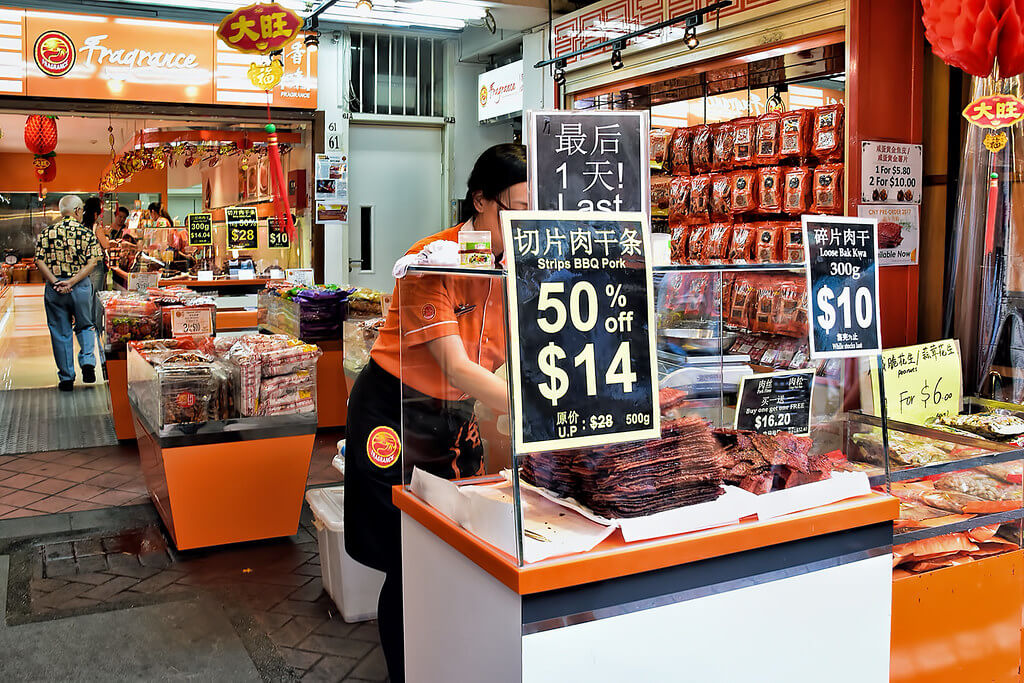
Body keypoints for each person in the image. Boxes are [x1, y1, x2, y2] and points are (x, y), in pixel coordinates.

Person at [343, 143, 527, 683]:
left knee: (459, 546)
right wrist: (531, 409)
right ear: (481, 201)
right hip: (393, 412)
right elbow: (453, 365)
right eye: (516, 210)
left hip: (454, 418)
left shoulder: (509, 265)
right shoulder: (434, 260)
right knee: (408, 556)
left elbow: (515, 352)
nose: (525, 226)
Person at [34, 195, 103, 391]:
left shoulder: (47, 233)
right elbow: (92, 262)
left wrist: (56, 281)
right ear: (78, 210)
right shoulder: (86, 233)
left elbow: (39, 260)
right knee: (86, 325)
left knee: (60, 331)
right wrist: (73, 281)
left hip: (55, 288)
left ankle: (66, 378)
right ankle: (88, 362)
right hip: (80, 286)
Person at [82, 197, 108, 335]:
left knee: (85, 296)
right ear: (95, 213)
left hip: (83, 265)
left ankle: (85, 325)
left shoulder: (80, 227)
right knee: (96, 297)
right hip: (96, 264)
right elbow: (106, 245)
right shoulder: (96, 227)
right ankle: (96, 327)